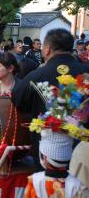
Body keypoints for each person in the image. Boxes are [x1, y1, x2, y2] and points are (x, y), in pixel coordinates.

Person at [12, 29, 89, 169]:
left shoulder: (36, 76)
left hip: (46, 155)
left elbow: (17, 100)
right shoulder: (86, 72)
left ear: (47, 49)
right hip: (83, 154)